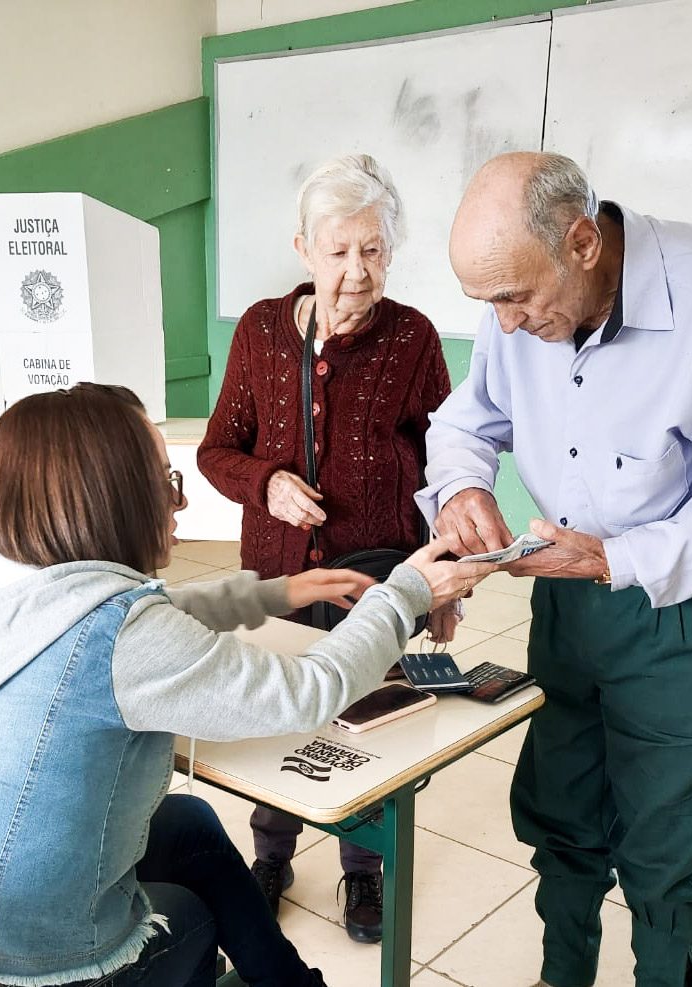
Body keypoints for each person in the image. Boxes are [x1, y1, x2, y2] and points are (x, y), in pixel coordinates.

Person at [0, 383, 494, 987]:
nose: (180, 502)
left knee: (187, 821)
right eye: (165, 482)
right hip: (8, 971)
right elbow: (312, 689)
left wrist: (276, 593)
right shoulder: (121, 637)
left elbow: (138, 612)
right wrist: (403, 594)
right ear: (111, 497)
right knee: (190, 921)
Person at [416, 151, 692, 987]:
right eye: (484, 303)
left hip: (682, 616)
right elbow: (466, 420)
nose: (502, 326)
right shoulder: (523, 309)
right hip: (567, 606)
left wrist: (613, 557)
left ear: (581, 242)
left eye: (512, 298)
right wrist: (462, 485)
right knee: (562, 815)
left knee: (665, 850)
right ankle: (560, 972)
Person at [198, 153, 454, 942]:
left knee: (363, 722)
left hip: (376, 578)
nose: (356, 270)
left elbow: (449, 462)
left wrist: (448, 582)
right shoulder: (260, 330)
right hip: (277, 578)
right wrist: (266, 482)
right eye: (338, 250)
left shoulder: (411, 338)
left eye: (372, 250)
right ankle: (271, 854)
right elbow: (216, 449)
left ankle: (362, 873)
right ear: (304, 248)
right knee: (274, 724)